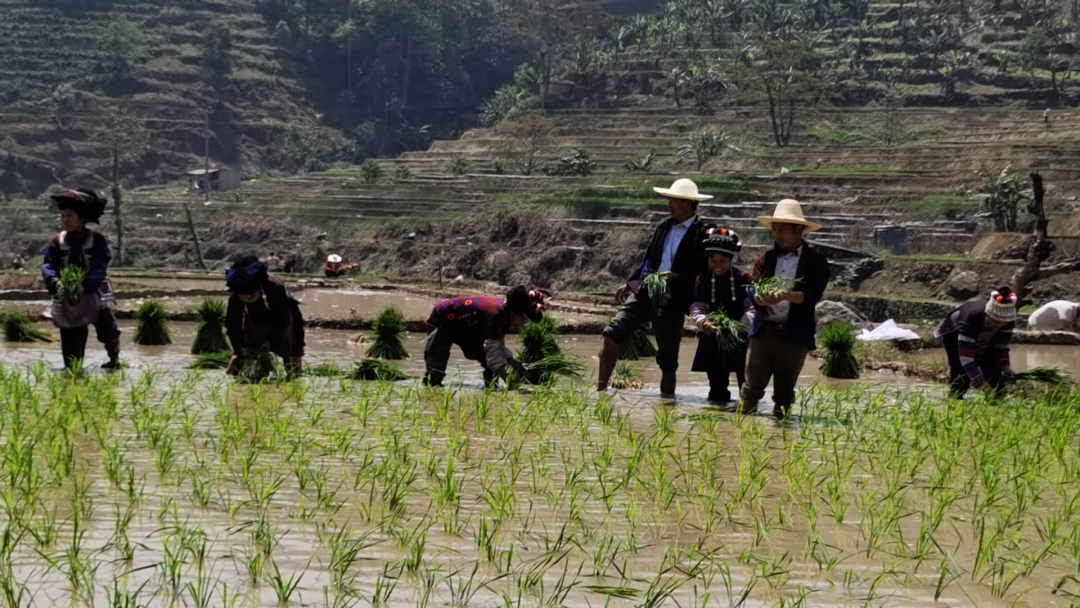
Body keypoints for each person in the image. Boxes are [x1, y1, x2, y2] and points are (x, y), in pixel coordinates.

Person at [597, 178, 712, 397]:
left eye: (674, 201)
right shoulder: (664, 227)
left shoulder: (702, 232)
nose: (669, 205)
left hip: (672, 299)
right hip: (647, 290)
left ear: (688, 203)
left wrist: (677, 277)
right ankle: (600, 393)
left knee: (668, 362)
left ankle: (666, 404)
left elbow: (703, 269)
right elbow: (649, 260)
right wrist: (631, 283)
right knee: (611, 334)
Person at [740, 199, 831, 418]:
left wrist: (788, 295)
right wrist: (759, 297)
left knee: (783, 396)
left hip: (794, 336)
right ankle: (741, 431)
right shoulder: (766, 259)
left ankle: (780, 434)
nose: (777, 234)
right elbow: (753, 287)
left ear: (798, 230)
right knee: (750, 391)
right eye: (775, 229)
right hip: (764, 332)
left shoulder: (816, 261)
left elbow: (813, 293)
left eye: (782, 229)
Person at [41, 189, 121, 370]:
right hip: (67, 291)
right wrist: (56, 282)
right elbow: (48, 265)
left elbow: (100, 266)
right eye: (63, 216)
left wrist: (85, 285)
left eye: (70, 215)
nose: (65, 220)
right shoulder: (57, 241)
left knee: (107, 328)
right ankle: (72, 369)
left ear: (82, 218)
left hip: (94, 290)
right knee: (70, 330)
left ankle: (114, 361)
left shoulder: (97, 240)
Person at [423, 286, 545, 387]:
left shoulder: (504, 316)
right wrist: (509, 382)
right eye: (523, 320)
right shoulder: (496, 315)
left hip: (466, 327)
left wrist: (512, 361)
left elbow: (497, 345)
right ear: (514, 313)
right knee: (436, 366)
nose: (522, 324)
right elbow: (494, 354)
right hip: (442, 318)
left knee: (488, 360)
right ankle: (432, 385)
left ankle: (491, 388)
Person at [689, 228, 753, 403]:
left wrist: (741, 325)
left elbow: (751, 306)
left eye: (723, 261)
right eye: (713, 261)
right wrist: (704, 323)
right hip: (712, 335)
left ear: (731, 259)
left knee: (745, 382)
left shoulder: (743, 278)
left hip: (741, 336)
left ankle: (747, 411)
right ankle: (719, 411)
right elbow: (698, 305)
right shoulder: (702, 278)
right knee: (717, 386)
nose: (718, 265)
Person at [224, 255, 305, 376]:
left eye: (251, 297)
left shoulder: (275, 289)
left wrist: (270, 345)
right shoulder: (236, 296)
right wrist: (239, 349)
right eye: (243, 297)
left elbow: (283, 322)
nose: (246, 300)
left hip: (284, 323)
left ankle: (295, 378)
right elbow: (232, 325)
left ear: (260, 290)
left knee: (292, 359)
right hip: (254, 320)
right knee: (239, 358)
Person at [936, 287, 1017, 399]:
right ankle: (954, 399)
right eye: (996, 320)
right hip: (954, 333)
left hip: (981, 331)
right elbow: (966, 358)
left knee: (994, 372)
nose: (999, 324)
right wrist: (982, 386)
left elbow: (1001, 344)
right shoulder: (971, 318)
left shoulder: (1008, 321)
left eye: (1003, 321)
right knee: (962, 374)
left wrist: (1005, 366)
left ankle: (997, 400)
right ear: (988, 314)